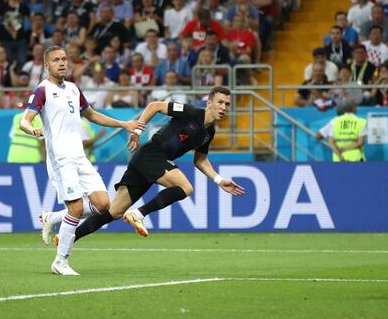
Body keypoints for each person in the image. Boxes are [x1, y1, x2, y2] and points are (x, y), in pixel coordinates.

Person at [20, 45, 143, 276]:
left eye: (64, 59)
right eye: (56, 60)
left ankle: (52, 218)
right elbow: (24, 120)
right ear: (46, 65)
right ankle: (60, 262)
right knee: (75, 208)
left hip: (79, 156)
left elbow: (92, 115)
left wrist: (124, 124)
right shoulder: (43, 90)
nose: (62, 63)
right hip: (61, 157)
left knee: (103, 205)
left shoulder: (74, 89)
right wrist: (32, 129)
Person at [70, 86, 246, 242]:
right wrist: (137, 131)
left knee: (114, 211)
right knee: (185, 188)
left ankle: (69, 237)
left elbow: (200, 160)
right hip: (152, 154)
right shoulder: (191, 112)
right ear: (209, 103)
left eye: (227, 104)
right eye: (220, 102)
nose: (223, 108)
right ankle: (138, 214)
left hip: (149, 161)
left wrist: (219, 180)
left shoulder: (209, 133)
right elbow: (155, 106)